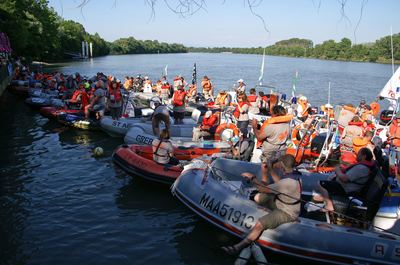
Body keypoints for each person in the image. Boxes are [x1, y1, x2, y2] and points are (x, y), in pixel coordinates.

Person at [222, 154, 300, 255]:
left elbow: (263, 188)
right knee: (259, 197)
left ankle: (238, 247)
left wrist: (252, 178)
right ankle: (268, 210)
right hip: (283, 203)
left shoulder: (287, 182)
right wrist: (270, 169)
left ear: (282, 165)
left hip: (287, 212)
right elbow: (279, 183)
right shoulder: (295, 176)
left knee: (259, 224)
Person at [315, 147, 374, 212]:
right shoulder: (362, 166)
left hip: (346, 189)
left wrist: (337, 170)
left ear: (364, 156)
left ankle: (329, 205)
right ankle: (326, 197)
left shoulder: (362, 168)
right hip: (345, 186)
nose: (357, 155)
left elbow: (344, 179)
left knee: (320, 183)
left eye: (359, 154)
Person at [252, 105, 291, 182]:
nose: (270, 115)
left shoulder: (271, 126)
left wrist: (254, 127)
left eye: (272, 113)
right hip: (282, 149)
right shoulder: (288, 125)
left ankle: (265, 186)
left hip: (270, 150)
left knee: (265, 168)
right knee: (277, 168)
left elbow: (259, 137)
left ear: (276, 114)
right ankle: (278, 186)